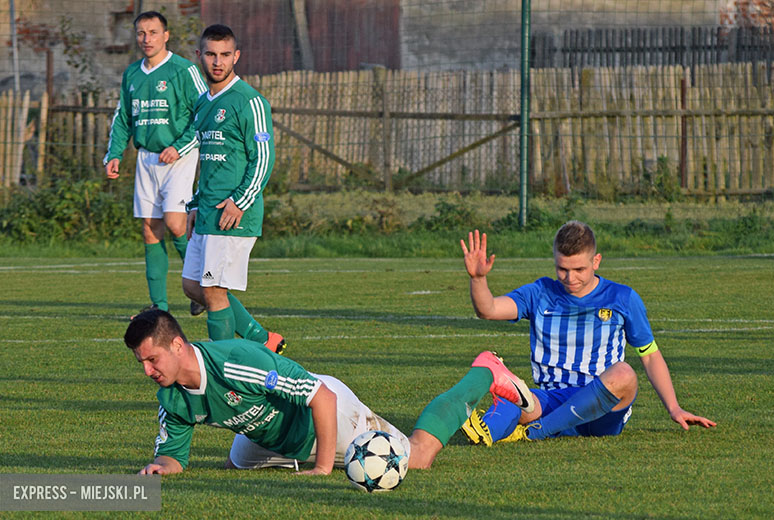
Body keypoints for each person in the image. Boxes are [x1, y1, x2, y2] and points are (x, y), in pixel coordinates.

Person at [126, 309, 535, 475]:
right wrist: (161, 467)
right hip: (266, 437)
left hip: (328, 413)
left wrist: (323, 470)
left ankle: (485, 370)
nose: (147, 371)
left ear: (178, 345)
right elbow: (173, 456)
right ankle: (295, 455)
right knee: (237, 463)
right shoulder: (171, 396)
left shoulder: (237, 361)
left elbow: (320, 396)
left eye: (152, 360)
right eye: (141, 363)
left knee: (418, 459)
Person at [458, 221, 716, 446]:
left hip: (602, 408)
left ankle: (536, 433)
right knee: (512, 397)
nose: (570, 278)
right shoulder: (540, 293)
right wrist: (478, 279)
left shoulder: (622, 297)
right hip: (551, 400)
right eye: (562, 269)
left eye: (579, 269)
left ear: (596, 261)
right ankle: (486, 433)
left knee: (624, 374)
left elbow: (649, 355)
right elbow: (489, 310)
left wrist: (674, 408)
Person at [181, 24, 282, 352]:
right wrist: (195, 204)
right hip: (208, 209)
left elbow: (263, 157)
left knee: (212, 291)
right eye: (211, 54)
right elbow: (207, 162)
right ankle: (260, 339)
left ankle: (224, 370)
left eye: (225, 54)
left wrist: (240, 201)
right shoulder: (203, 103)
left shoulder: (249, 101)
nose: (217, 62)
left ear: (236, 56)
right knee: (192, 286)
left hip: (233, 212)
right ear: (200, 56)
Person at [104, 11, 207, 317]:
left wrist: (180, 146)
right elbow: (122, 118)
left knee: (176, 223)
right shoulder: (132, 74)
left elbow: (203, 114)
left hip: (179, 157)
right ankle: (159, 308)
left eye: (152, 32)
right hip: (147, 159)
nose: (146, 39)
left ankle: (201, 287)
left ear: (166, 35)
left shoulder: (183, 70)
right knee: (151, 230)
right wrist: (114, 154)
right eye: (140, 33)